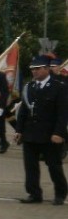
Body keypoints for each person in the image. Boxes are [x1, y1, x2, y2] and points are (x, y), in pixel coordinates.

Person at [14, 55, 67, 205]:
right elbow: (23, 111)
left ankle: (60, 193)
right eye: (32, 69)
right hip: (30, 134)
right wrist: (19, 130)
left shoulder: (59, 87)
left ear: (46, 69)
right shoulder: (29, 87)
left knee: (54, 166)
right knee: (30, 166)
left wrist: (58, 133)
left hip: (50, 134)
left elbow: (62, 114)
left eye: (37, 69)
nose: (34, 72)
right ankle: (34, 193)